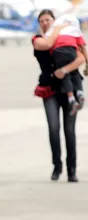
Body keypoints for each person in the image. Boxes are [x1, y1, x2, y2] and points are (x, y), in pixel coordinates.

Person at [32, 9, 86, 182]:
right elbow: (47, 45)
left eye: (48, 20)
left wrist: (63, 70)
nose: (45, 23)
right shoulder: (37, 40)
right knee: (53, 128)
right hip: (50, 88)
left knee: (69, 131)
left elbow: (80, 59)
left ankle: (72, 169)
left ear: (53, 20)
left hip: (68, 84)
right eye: (42, 21)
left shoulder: (67, 38)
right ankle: (57, 166)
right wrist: (58, 27)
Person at [44, 14, 87, 115]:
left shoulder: (56, 31)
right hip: (71, 51)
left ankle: (71, 98)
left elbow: (49, 43)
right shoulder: (75, 32)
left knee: (65, 75)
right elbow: (83, 48)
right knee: (75, 72)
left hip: (58, 52)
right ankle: (80, 93)